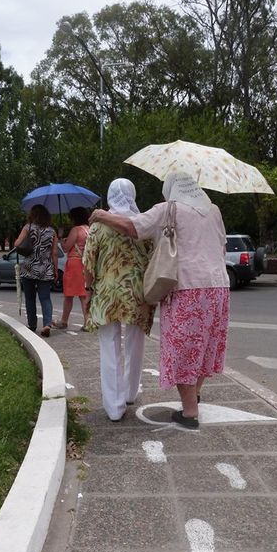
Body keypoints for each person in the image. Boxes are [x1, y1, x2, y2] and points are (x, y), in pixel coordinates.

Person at [89, 171, 230, 430]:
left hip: (187, 287)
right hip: (219, 287)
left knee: (182, 350)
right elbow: (221, 246)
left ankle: (189, 411)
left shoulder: (168, 209)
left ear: (173, 189)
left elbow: (133, 227)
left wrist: (102, 215)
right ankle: (194, 397)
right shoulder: (215, 210)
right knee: (204, 346)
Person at [83, 179, 155, 422]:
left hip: (106, 294)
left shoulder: (98, 226)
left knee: (109, 346)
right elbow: (153, 256)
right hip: (137, 292)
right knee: (135, 343)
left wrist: (88, 289)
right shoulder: (143, 224)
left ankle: (114, 407)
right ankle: (130, 392)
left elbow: (88, 264)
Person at [14, 204, 58, 337]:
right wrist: (55, 270)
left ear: (33, 215)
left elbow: (17, 244)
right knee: (45, 298)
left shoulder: (28, 228)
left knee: (30, 298)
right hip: (45, 268)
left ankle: (32, 324)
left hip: (29, 268)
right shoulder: (52, 231)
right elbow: (54, 253)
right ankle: (46, 324)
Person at [52, 207, 90, 330]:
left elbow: (67, 248)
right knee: (84, 293)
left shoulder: (76, 230)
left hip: (74, 264)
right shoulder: (88, 229)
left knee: (69, 294)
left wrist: (61, 238)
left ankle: (64, 321)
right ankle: (87, 321)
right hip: (85, 262)